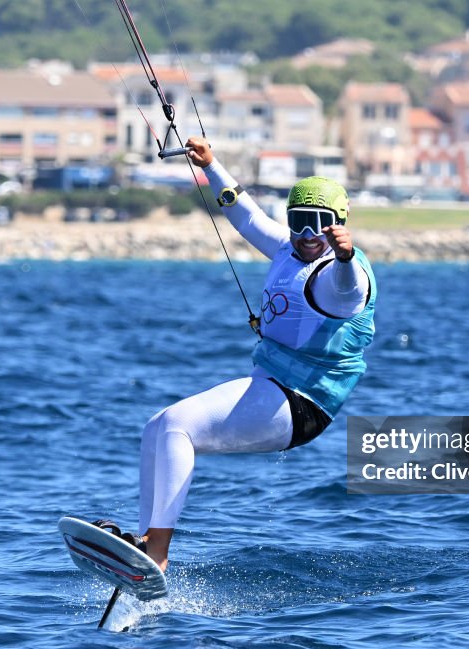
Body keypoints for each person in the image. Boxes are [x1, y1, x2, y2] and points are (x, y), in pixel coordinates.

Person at [129, 137, 377, 571]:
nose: (307, 234)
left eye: (319, 224)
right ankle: (144, 544)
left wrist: (345, 256)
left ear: (337, 224)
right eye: (299, 222)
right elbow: (246, 216)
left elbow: (349, 289)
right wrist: (211, 165)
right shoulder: (287, 249)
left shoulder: (338, 276)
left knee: (177, 426)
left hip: (302, 403)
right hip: (272, 386)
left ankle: (158, 551)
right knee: (156, 428)